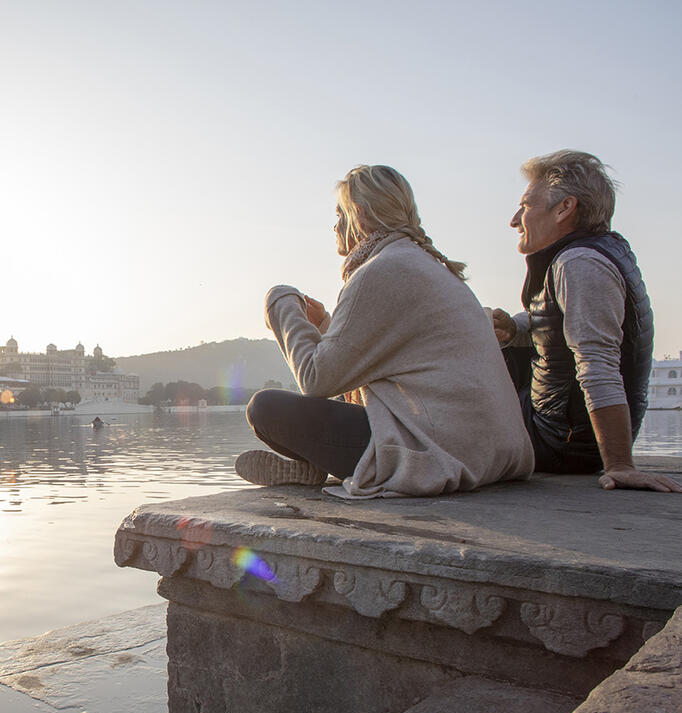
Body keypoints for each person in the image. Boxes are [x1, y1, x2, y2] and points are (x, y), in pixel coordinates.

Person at [237, 164, 533, 498]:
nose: (335, 226)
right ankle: (315, 465)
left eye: (339, 215)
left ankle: (323, 464)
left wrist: (280, 302)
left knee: (265, 409)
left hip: (443, 455)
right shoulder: (425, 265)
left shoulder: (382, 270)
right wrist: (323, 326)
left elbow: (315, 379)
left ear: (358, 215)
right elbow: (385, 354)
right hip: (497, 451)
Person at [491, 150, 680, 493]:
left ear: (565, 209)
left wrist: (620, 465)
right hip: (565, 430)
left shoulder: (579, 265)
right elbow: (558, 324)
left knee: (455, 349)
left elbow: (598, 363)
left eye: (527, 206)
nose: (515, 220)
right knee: (487, 341)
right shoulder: (594, 252)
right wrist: (515, 328)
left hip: (562, 443)